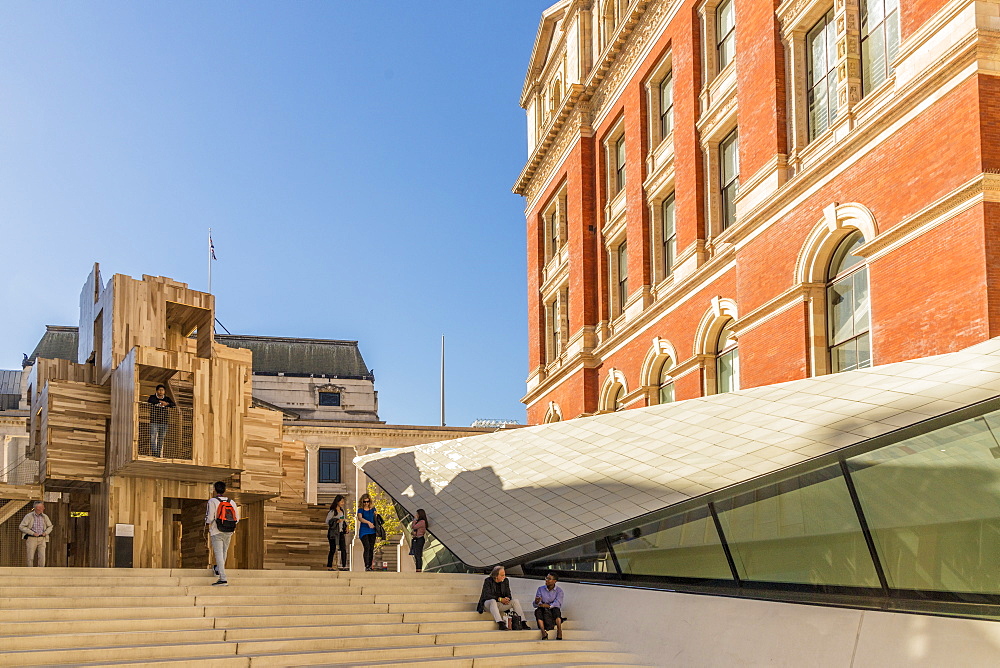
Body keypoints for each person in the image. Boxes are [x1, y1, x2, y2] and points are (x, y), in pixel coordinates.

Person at [205, 481, 239, 586]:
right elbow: (237, 518)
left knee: (219, 553)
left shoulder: (212, 501)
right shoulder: (231, 501)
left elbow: (210, 518)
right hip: (229, 530)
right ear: (224, 490)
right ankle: (218, 569)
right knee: (224, 552)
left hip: (217, 530)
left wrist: (206, 522)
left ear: (215, 489)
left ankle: (223, 578)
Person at [477, 565, 531, 631]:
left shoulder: (505, 581)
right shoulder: (488, 581)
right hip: (488, 604)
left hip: (500, 604)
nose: (504, 577)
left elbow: (509, 594)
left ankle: (522, 622)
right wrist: (500, 599)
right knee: (492, 601)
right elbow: (487, 595)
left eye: (504, 575)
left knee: (515, 601)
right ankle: (500, 623)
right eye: (502, 575)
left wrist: (507, 599)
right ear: (496, 576)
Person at [19, 501, 53, 567]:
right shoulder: (29, 516)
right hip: (31, 538)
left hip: (42, 538)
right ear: (37, 508)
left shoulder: (45, 517)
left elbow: (50, 526)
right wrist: (32, 533)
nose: (44, 508)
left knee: (42, 556)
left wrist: (46, 532)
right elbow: (21, 526)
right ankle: (30, 571)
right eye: (42, 507)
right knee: (30, 556)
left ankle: (41, 571)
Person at [147, 384, 176, 457]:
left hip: (164, 422)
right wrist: (160, 402)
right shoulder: (152, 397)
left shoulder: (167, 398)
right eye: (159, 390)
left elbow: (173, 404)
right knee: (153, 437)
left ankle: (158, 453)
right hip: (154, 421)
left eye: (162, 390)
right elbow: (150, 400)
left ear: (164, 391)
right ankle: (154, 453)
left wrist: (166, 404)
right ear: (157, 391)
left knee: (161, 438)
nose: (161, 391)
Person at [533, 572, 565, 640]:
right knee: (538, 611)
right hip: (543, 608)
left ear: (554, 581)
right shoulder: (540, 589)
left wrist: (549, 606)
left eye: (549, 579)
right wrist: (537, 602)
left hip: (552, 607)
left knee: (557, 611)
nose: (546, 580)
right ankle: (543, 632)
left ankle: (559, 631)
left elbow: (558, 603)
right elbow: (537, 603)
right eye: (546, 578)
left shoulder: (559, 591)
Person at [325, 495, 347, 571]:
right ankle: (329, 566)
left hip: (340, 532)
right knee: (332, 549)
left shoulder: (342, 511)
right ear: (337, 502)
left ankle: (344, 565)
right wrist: (336, 521)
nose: (343, 503)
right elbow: (327, 521)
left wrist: (345, 526)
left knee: (343, 548)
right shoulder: (332, 512)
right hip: (333, 533)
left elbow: (343, 521)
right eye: (342, 502)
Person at [357, 493, 377, 571]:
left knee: (371, 548)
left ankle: (369, 565)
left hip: (372, 530)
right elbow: (360, 518)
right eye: (364, 502)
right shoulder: (360, 509)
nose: (366, 503)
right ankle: (366, 565)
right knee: (367, 547)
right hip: (364, 530)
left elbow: (376, 517)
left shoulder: (373, 509)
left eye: (367, 502)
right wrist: (368, 522)